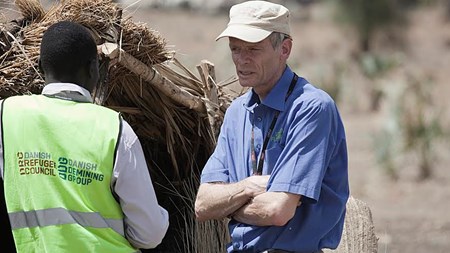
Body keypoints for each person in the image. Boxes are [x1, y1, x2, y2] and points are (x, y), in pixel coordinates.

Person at [0, 21, 169, 252]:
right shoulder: (114, 129)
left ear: (40, 67)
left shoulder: (7, 116)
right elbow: (149, 234)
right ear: (93, 69)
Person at [194, 1, 349, 253]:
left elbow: (277, 210)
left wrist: (229, 204)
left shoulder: (311, 108)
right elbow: (202, 204)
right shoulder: (236, 112)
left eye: (253, 49)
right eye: (235, 49)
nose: (242, 60)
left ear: (284, 49)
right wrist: (248, 187)